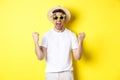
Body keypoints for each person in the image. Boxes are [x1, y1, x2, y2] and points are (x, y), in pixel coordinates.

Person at [32, 6, 85, 80]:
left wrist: (80, 41)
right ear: (52, 19)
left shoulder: (71, 35)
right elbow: (40, 57)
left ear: (65, 19)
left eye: (61, 17)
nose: (58, 20)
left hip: (67, 73)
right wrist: (36, 41)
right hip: (51, 74)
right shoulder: (46, 35)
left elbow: (78, 57)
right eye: (55, 17)